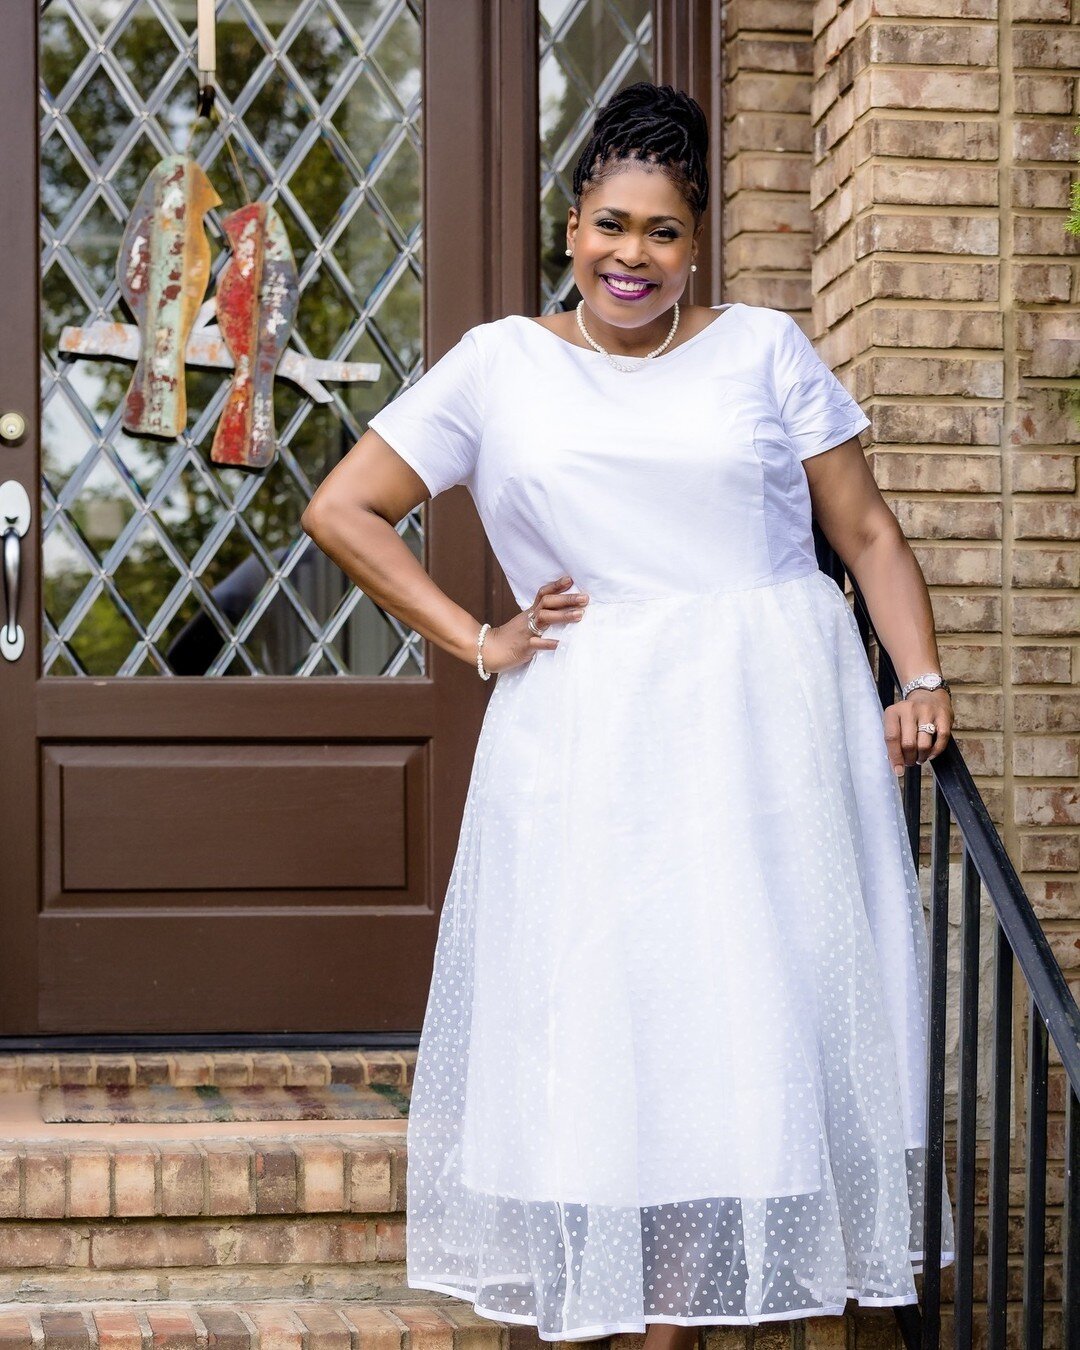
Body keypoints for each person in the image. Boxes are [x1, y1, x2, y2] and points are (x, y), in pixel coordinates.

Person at [301, 80, 956, 1347]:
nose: (633, 257)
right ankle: (637, 1313)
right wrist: (478, 639)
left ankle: (696, 1312)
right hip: (592, 740)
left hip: (766, 734)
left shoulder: (765, 349)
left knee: (747, 1020)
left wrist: (919, 678)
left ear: (698, 236)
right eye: (611, 224)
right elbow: (343, 510)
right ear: (571, 225)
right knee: (618, 1018)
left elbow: (865, 532)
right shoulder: (500, 364)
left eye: (662, 231)